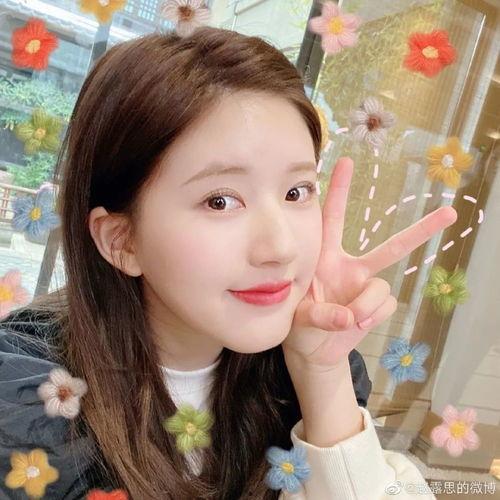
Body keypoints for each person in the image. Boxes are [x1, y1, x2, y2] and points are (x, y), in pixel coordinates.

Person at [0, 26, 456, 499]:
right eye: (220, 201)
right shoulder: (29, 406)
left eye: (296, 192)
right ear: (123, 241)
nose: (280, 247)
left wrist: (322, 375)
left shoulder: (300, 370)